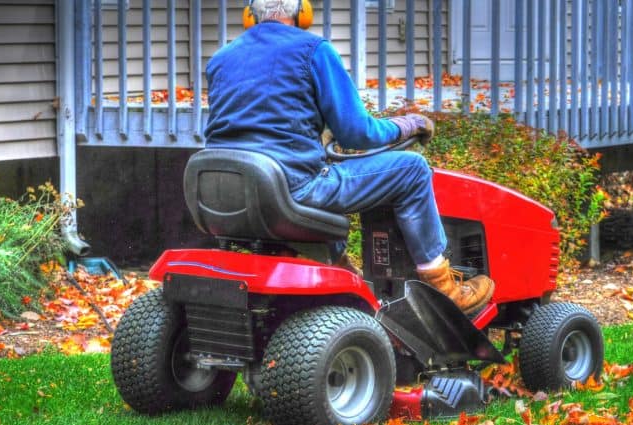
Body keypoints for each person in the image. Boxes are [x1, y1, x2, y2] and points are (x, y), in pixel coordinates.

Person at [204, 0, 494, 316]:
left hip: (222, 193)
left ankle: (346, 278)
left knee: (319, 170)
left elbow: (250, 123)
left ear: (250, 16)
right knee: (412, 169)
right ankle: (445, 290)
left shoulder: (221, 58)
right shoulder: (313, 51)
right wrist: (407, 123)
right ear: (302, 12)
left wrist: (314, 131)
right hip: (292, 188)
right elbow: (357, 132)